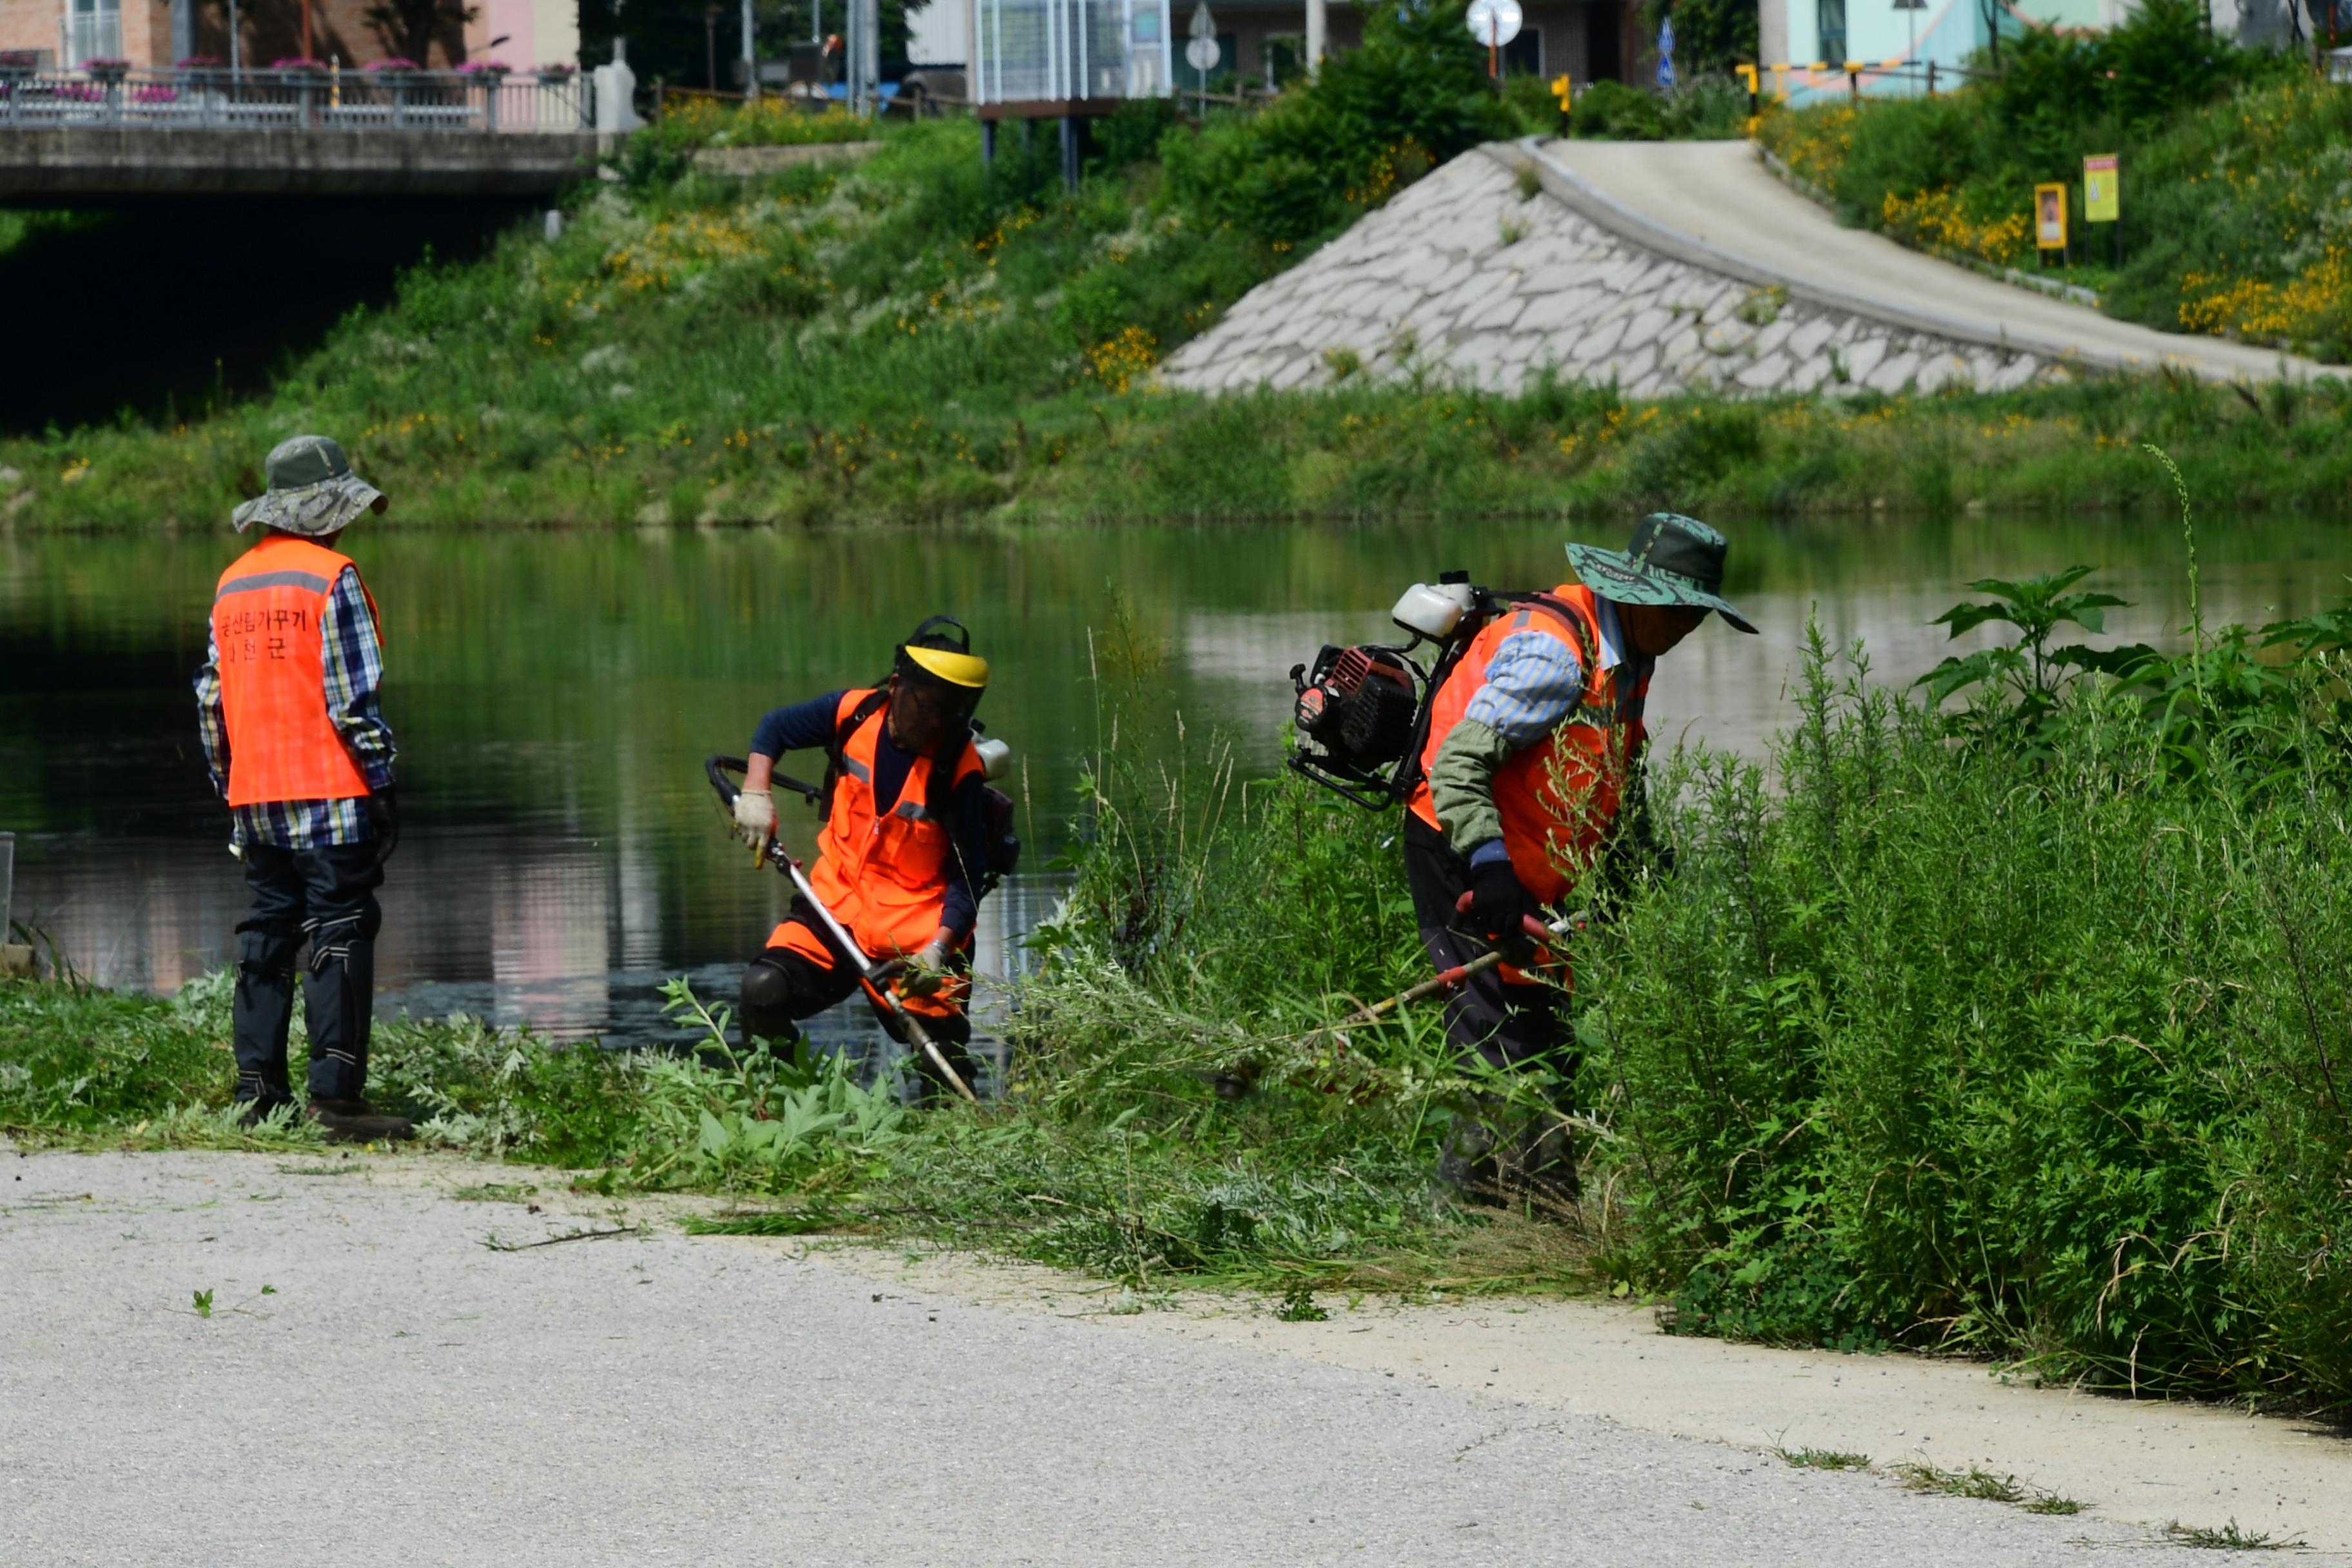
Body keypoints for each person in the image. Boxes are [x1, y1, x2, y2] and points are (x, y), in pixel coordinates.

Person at [1404, 513, 1756, 1200]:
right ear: (1637, 594)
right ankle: (1542, 1222)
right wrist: (1491, 869)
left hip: (1527, 870)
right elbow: (1458, 764)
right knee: (1505, 1043)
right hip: (1463, 851)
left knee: (1539, 1032)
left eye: (1699, 614)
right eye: (1681, 609)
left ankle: (1474, 1209)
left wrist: (1647, 895)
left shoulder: (1629, 660)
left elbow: (1618, 785)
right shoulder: (1557, 656)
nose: (1690, 627)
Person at [195, 435, 413, 1142]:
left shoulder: (232, 583)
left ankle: (257, 1093)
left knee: (267, 931)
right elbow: (353, 703)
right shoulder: (332, 576)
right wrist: (381, 784)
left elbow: (210, 702)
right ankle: (337, 1099)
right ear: (324, 511)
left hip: (255, 794)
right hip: (329, 791)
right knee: (341, 929)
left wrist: (229, 786)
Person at [733, 616, 995, 1100]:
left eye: (950, 709)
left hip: (918, 939)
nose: (935, 721)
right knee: (762, 988)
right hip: (835, 909)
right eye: (926, 704)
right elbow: (774, 729)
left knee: (946, 1076)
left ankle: (949, 1152)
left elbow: (968, 880)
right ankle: (783, 1111)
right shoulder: (851, 713)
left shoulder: (960, 770)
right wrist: (755, 791)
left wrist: (937, 951)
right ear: (897, 685)